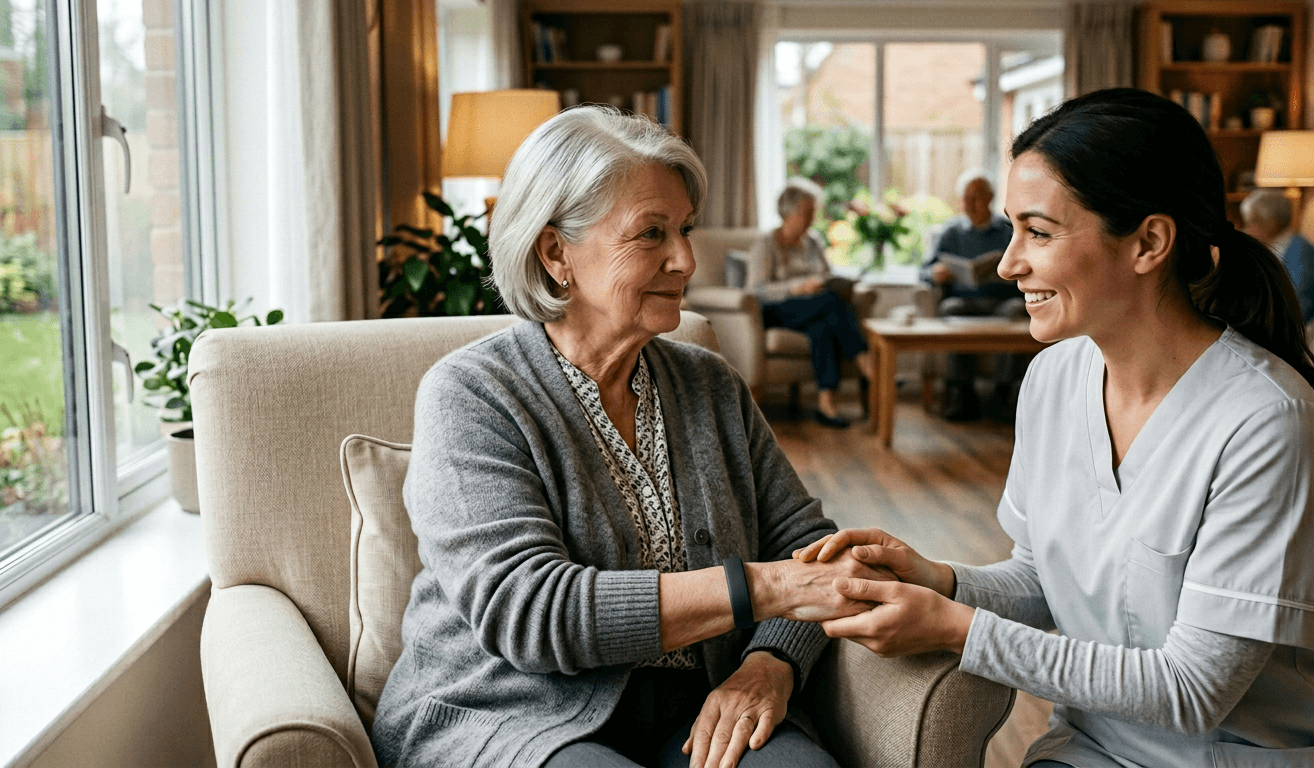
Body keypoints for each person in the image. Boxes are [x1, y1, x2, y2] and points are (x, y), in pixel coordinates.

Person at [793, 89, 1314, 767]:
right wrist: (939, 581)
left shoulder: (1268, 423)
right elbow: (1043, 582)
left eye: (1038, 231)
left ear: (1149, 242)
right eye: (1012, 229)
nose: (1008, 263)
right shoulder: (1054, 379)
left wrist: (958, 629)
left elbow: (1194, 692)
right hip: (1090, 750)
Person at [370, 106, 885, 768]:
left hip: (692, 704)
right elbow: (527, 611)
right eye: (651, 234)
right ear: (556, 252)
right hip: (514, 711)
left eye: (684, 229)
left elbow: (809, 549)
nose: (687, 258)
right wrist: (760, 590)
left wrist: (771, 662)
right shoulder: (472, 393)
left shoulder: (710, 383)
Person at [745, 179, 873, 428]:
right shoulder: (765, 244)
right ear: (788, 213)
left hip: (814, 308)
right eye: (807, 213)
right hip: (777, 310)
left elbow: (826, 275)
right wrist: (798, 287)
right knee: (831, 304)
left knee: (823, 326)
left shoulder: (813, 241)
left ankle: (827, 404)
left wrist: (829, 282)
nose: (812, 218)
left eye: (813, 212)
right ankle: (868, 365)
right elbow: (756, 290)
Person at [919, 169, 1025, 421]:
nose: (970, 204)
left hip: (1001, 300)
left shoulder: (1008, 231)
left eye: (976, 197)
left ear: (989, 198)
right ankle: (962, 393)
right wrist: (936, 273)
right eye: (965, 198)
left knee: (1016, 311)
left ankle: (1002, 393)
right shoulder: (950, 232)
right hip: (963, 300)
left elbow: (1029, 267)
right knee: (950, 310)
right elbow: (924, 271)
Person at [1241, 188, 1314, 324]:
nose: (1248, 230)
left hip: (1290, 325)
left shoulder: (1300, 251)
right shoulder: (1270, 248)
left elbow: (1300, 303)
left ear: (1272, 222)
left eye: (1253, 223)